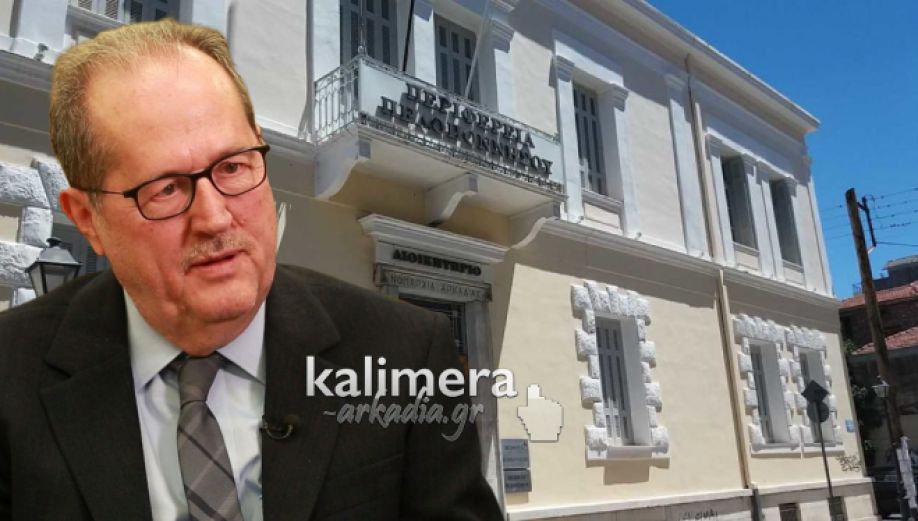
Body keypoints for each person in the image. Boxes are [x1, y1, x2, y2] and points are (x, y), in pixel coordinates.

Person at [0, 19, 501, 521]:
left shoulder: (404, 355)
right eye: (165, 189)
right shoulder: (10, 374)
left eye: (233, 167)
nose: (215, 218)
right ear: (88, 220)